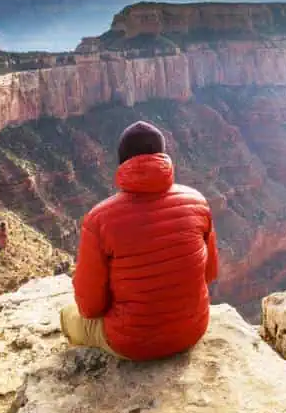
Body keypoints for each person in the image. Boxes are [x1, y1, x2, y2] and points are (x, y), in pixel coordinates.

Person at [60, 120, 219, 361]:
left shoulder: (99, 219)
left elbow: (90, 308)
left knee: (67, 315)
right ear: (163, 156)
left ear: (123, 162)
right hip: (191, 331)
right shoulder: (197, 202)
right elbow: (209, 274)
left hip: (131, 344)